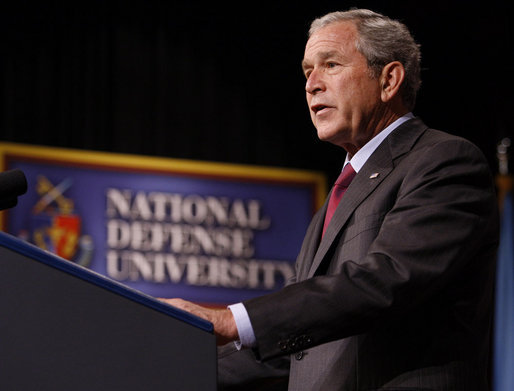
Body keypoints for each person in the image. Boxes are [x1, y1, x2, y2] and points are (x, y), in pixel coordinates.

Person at [161, 9, 499, 390]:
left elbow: (385, 280)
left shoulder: (444, 161)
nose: (312, 85)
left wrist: (230, 320)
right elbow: (297, 345)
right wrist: (173, 367)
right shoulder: (340, 194)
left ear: (388, 80)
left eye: (331, 65)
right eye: (307, 71)